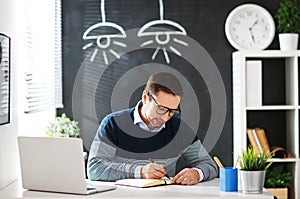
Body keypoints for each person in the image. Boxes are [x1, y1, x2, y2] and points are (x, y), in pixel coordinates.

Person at [87, 72, 218, 185]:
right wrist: (140, 172)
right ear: (145, 97)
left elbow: (210, 165)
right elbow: (95, 168)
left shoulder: (179, 128)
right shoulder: (113, 123)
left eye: (172, 111)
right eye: (161, 108)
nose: (166, 117)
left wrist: (197, 173)